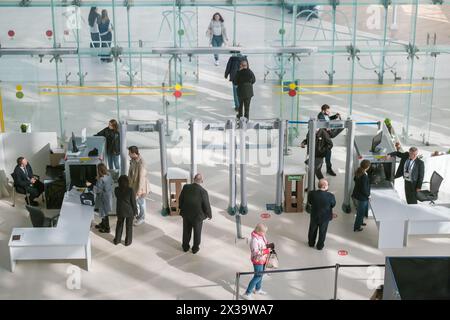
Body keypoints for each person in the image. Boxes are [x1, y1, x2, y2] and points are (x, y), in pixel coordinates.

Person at [179, 173, 212, 254]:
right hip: (197, 216)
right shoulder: (203, 191)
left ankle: (185, 247)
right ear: (202, 181)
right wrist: (209, 214)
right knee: (197, 232)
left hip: (186, 214)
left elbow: (181, 199)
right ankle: (195, 248)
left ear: (193, 179)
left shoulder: (186, 187)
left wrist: (181, 208)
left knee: (186, 231)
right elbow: (206, 205)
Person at [242, 223, 274, 300]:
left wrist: (269, 246)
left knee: (261, 275)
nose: (265, 233)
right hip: (257, 260)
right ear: (259, 231)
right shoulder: (254, 240)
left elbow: (264, 244)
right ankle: (247, 293)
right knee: (257, 276)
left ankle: (258, 289)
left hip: (263, 259)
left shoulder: (262, 236)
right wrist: (267, 251)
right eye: (264, 232)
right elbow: (256, 252)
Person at [307, 179, 337, 250]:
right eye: (327, 185)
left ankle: (311, 243)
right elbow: (333, 204)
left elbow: (310, 202)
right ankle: (320, 246)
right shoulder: (331, 196)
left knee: (312, 230)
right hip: (325, 217)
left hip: (314, 215)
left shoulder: (311, 193)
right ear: (324, 186)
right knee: (322, 232)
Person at [87, 163, 113, 233]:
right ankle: (102, 224)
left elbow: (98, 190)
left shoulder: (101, 179)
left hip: (104, 197)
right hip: (108, 195)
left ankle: (107, 228)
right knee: (104, 211)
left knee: (104, 213)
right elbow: (111, 183)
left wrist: (91, 185)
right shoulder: (109, 174)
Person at [128, 146, 150, 225]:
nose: (128, 154)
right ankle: (139, 216)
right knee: (138, 202)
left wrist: (138, 191)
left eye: (129, 153)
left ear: (134, 153)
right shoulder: (133, 160)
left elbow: (141, 179)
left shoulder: (141, 163)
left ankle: (142, 218)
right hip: (135, 185)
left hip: (141, 187)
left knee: (141, 202)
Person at [317, 104, 342, 176]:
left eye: (329, 111)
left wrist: (335, 116)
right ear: (323, 110)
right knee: (323, 156)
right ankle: (324, 170)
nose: (329, 112)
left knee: (328, 155)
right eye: (327, 111)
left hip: (327, 137)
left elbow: (328, 119)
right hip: (324, 138)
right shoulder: (321, 116)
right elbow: (324, 123)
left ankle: (328, 169)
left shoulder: (325, 115)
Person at [113, 175, 138, 246]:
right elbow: (133, 202)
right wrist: (135, 212)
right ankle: (128, 242)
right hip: (129, 212)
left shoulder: (116, 189)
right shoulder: (130, 190)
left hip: (120, 211)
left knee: (119, 225)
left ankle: (117, 240)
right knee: (129, 227)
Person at [352, 160, 371, 232]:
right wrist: (368, 195)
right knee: (360, 212)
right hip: (362, 197)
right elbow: (364, 189)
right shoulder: (364, 176)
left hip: (358, 195)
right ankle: (356, 227)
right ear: (367, 167)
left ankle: (361, 222)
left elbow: (355, 180)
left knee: (362, 211)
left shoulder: (359, 172)